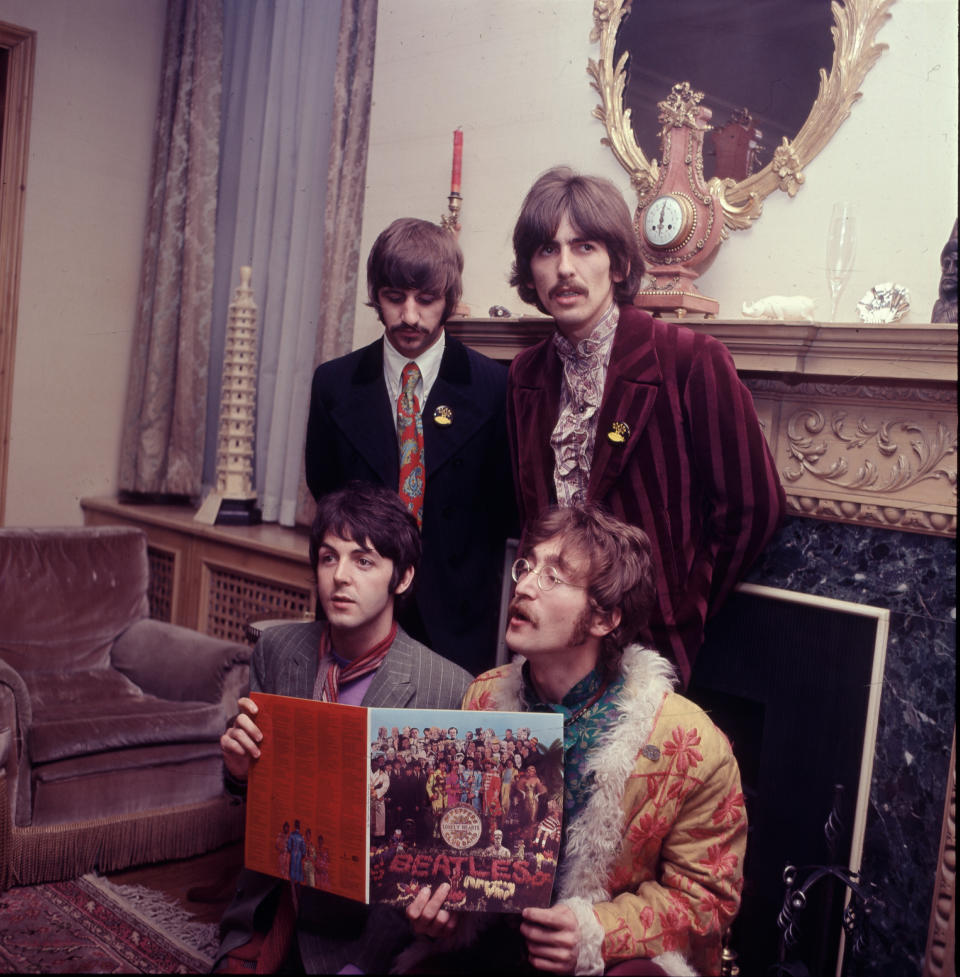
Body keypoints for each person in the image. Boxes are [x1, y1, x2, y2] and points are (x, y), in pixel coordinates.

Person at [405, 503, 746, 976]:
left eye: (554, 577)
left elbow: (707, 900)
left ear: (605, 619)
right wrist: (443, 907)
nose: (522, 584)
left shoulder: (690, 743)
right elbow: (461, 843)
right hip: (499, 944)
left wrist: (594, 933)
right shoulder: (483, 697)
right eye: (528, 567)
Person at [505, 166, 785, 686]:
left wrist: (681, 604)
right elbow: (533, 514)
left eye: (584, 246)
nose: (565, 267)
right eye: (547, 250)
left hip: (648, 647)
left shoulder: (689, 359)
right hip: (551, 646)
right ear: (531, 271)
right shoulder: (525, 374)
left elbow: (754, 507)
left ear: (619, 263)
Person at [213, 483, 473, 974]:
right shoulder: (278, 649)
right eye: (329, 558)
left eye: (364, 561)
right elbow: (256, 802)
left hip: (370, 928)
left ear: (403, 577)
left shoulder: (446, 686)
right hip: (278, 901)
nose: (340, 577)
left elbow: (435, 850)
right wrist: (238, 771)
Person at [305, 217, 518, 675]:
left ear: (450, 300)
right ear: (375, 296)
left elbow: (505, 510)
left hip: (458, 622)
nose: (409, 316)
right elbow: (325, 493)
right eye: (394, 297)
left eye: (426, 299)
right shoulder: (334, 384)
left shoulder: (495, 387)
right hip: (358, 614)